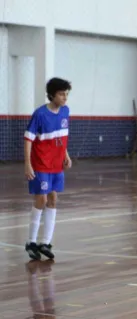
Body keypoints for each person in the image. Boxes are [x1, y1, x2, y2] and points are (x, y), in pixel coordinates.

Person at [24, 77, 73, 261]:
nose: (65, 97)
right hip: (41, 164)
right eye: (61, 94)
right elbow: (28, 139)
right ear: (52, 95)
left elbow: (61, 137)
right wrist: (27, 163)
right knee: (42, 199)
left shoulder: (66, 111)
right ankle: (31, 242)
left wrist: (66, 155)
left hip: (56, 165)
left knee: (53, 199)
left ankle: (45, 242)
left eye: (66, 94)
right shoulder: (40, 114)